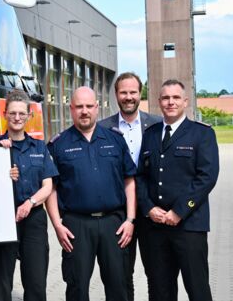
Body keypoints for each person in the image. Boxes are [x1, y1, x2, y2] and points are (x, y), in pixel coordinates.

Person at [47, 86, 136, 301]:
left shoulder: (115, 139)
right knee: (77, 287)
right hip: (75, 226)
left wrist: (131, 219)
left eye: (89, 106)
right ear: (71, 109)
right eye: (79, 106)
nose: (84, 111)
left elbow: (129, 180)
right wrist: (57, 225)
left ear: (97, 108)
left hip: (113, 224)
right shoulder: (59, 144)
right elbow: (51, 188)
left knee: (119, 286)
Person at [136, 79, 219, 301]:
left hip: (189, 225)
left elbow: (207, 177)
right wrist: (148, 208)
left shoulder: (202, 134)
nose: (170, 102)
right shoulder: (151, 134)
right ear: (159, 102)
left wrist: (179, 211)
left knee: (197, 288)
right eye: (165, 98)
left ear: (185, 101)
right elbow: (141, 176)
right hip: (155, 227)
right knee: (159, 290)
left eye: (175, 98)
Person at [0, 90, 56, 301]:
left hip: (33, 219)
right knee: (1, 284)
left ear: (29, 116)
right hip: (3, 220)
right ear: (5, 114)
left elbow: (48, 186)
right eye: (13, 113)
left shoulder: (39, 147)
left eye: (21, 114)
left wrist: (30, 203)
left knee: (36, 284)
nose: (17, 118)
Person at [98, 72, 161, 301]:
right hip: (118, 214)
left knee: (157, 273)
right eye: (123, 92)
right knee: (121, 275)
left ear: (140, 93)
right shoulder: (102, 129)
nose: (128, 97)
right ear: (116, 95)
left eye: (132, 92)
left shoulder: (156, 125)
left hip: (152, 210)